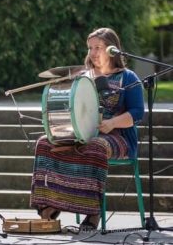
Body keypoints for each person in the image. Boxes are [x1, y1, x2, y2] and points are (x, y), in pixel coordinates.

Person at [30, 27, 145, 230]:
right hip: (82, 133)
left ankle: (92, 213)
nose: (92, 53)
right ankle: (49, 205)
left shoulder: (128, 78)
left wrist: (111, 123)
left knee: (95, 146)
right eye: (90, 48)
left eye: (97, 48)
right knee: (44, 143)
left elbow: (137, 113)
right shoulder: (82, 77)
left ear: (112, 50)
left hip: (117, 137)